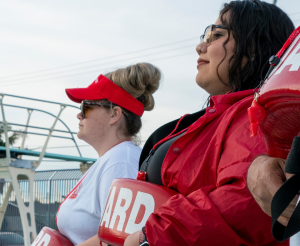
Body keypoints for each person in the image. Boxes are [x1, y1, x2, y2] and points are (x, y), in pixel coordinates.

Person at [121, 1, 295, 245]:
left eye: (216, 35)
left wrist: (149, 237)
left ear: (252, 48)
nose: (200, 46)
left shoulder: (256, 115)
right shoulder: (216, 117)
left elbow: (248, 201)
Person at [55, 63, 161, 245]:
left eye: (86, 107)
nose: (79, 115)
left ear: (114, 114)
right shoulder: (113, 159)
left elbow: (120, 239)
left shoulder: (121, 162)